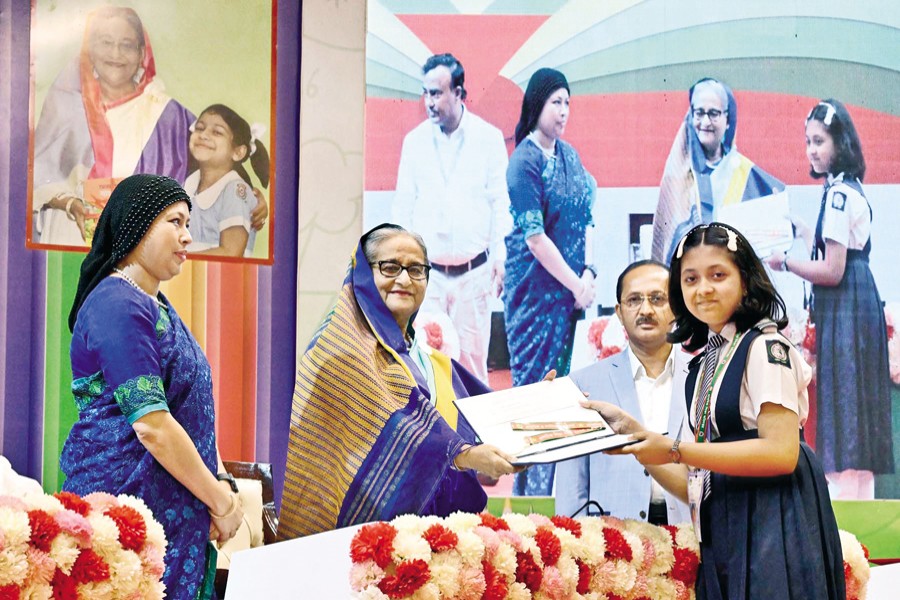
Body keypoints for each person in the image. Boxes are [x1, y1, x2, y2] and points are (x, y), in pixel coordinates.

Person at [593, 223, 844, 599]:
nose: (703, 289)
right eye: (690, 279)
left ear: (746, 280)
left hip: (775, 523)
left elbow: (781, 452)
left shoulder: (765, 347)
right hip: (725, 527)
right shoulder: (704, 363)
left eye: (718, 275)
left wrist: (674, 449)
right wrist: (638, 440)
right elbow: (697, 481)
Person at [61, 174, 244, 599]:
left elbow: (191, 410)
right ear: (137, 225)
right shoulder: (117, 304)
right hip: (125, 519)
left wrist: (219, 486)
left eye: (188, 224)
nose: (187, 236)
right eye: (175, 222)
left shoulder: (153, 304)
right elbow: (153, 426)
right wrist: (221, 503)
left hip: (168, 514)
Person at [278, 224, 521, 539]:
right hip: (359, 541)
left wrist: (543, 403)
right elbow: (405, 429)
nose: (405, 280)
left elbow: (484, 414)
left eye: (416, 269)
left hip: (438, 541)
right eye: (390, 267)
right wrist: (464, 454)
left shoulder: (431, 361)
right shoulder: (339, 353)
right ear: (364, 275)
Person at [32, 5, 266, 246]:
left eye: (126, 45)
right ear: (90, 49)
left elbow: (217, 165)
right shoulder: (66, 106)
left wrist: (252, 198)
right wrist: (70, 204)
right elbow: (36, 177)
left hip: (143, 249)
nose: (115, 53)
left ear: (141, 52)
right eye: (105, 42)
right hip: (70, 236)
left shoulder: (168, 115)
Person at [766, 99, 893, 498]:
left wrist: (786, 262)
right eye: (808, 142)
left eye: (819, 141)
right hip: (856, 298)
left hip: (846, 304)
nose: (811, 150)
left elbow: (832, 270)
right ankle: (856, 498)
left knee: (845, 403)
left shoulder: (838, 194)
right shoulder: (847, 188)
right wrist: (806, 231)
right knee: (853, 406)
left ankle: (845, 504)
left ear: (840, 142)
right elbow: (840, 256)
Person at [391, 53, 512, 384]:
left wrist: (501, 256)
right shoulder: (414, 142)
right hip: (427, 276)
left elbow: (501, 202)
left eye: (437, 93)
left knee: (472, 369)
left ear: (459, 93)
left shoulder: (488, 138)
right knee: (424, 365)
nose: (429, 102)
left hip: (474, 275)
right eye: (426, 93)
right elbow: (403, 206)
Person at [504, 67, 596, 496]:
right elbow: (535, 238)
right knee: (533, 400)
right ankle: (529, 505)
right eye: (556, 102)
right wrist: (577, 285)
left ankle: (557, 502)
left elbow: (587, 219)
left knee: (561, 398)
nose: (564, 111)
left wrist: (589, 274)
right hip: (534, 300)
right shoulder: (524, 161)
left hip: (569, 298)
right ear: (537, 104)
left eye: (568, 102)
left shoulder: (570, 156)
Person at [555, 261, 690, 525]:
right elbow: (572, 488)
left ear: (676, 306)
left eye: (657, 299)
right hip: (613, 538)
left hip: (691, 532)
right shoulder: (583, 383)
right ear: (619, 312)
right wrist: (574, 539)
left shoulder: (702, 375)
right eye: (634, 300)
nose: (646, 310)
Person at [651, 78, 784, 264]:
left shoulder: (744, 172)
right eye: (699, 113)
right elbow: (669, 239)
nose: (705, 122)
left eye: (713, 113)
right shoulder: (677, 176)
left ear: (728, 120)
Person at [184, 104, 270, 257]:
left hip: (224, 272)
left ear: (238, 152)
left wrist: (180, 260)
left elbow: (231, 252)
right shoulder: (189, 185)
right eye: (199, 128)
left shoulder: (234, 191)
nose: (203, 135)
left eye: (217, 132)